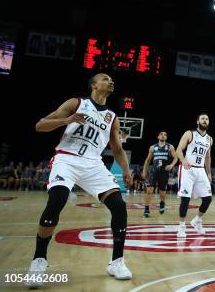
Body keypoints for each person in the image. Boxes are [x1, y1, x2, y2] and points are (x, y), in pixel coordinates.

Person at [27, 73, 133, 287]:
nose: (110, 81)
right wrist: (67, 120)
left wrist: (127, 171)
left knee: (119, 206)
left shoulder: (111, 116)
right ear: (94, 85)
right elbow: (40, 125)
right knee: (57, 200)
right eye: (105, 79)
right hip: (67, 159)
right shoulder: (77, 103)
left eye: (112, 80)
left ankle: (116, 261)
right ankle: (39, 260)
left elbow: (117, 149)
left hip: (94, 164)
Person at [175, 113, 213, 238]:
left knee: (208, 198)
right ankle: (181, 227)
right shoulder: (189, 133)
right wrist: (183, 160)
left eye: (207, 119)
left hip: (201, 170)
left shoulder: (209, 139)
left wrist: (208, 172)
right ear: (197, 121)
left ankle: (197, 220)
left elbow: (207, 157)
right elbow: (179, 149)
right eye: (202, 118)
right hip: (188, 169)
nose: (205, 120)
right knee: (185, 199)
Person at [141, 131, 178, 217]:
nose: (163, 136)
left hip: (164, 173)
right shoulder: (153, 147)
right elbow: (147, 160)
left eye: (165, 134)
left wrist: (171, 165)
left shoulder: (170, 147)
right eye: (161, 134)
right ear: (158, 137)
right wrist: (144, 171)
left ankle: (162, 203)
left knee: (162, 193)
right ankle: (146, 209)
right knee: (149, 191)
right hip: (154, 172)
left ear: (166, 137)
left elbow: (176, 157)